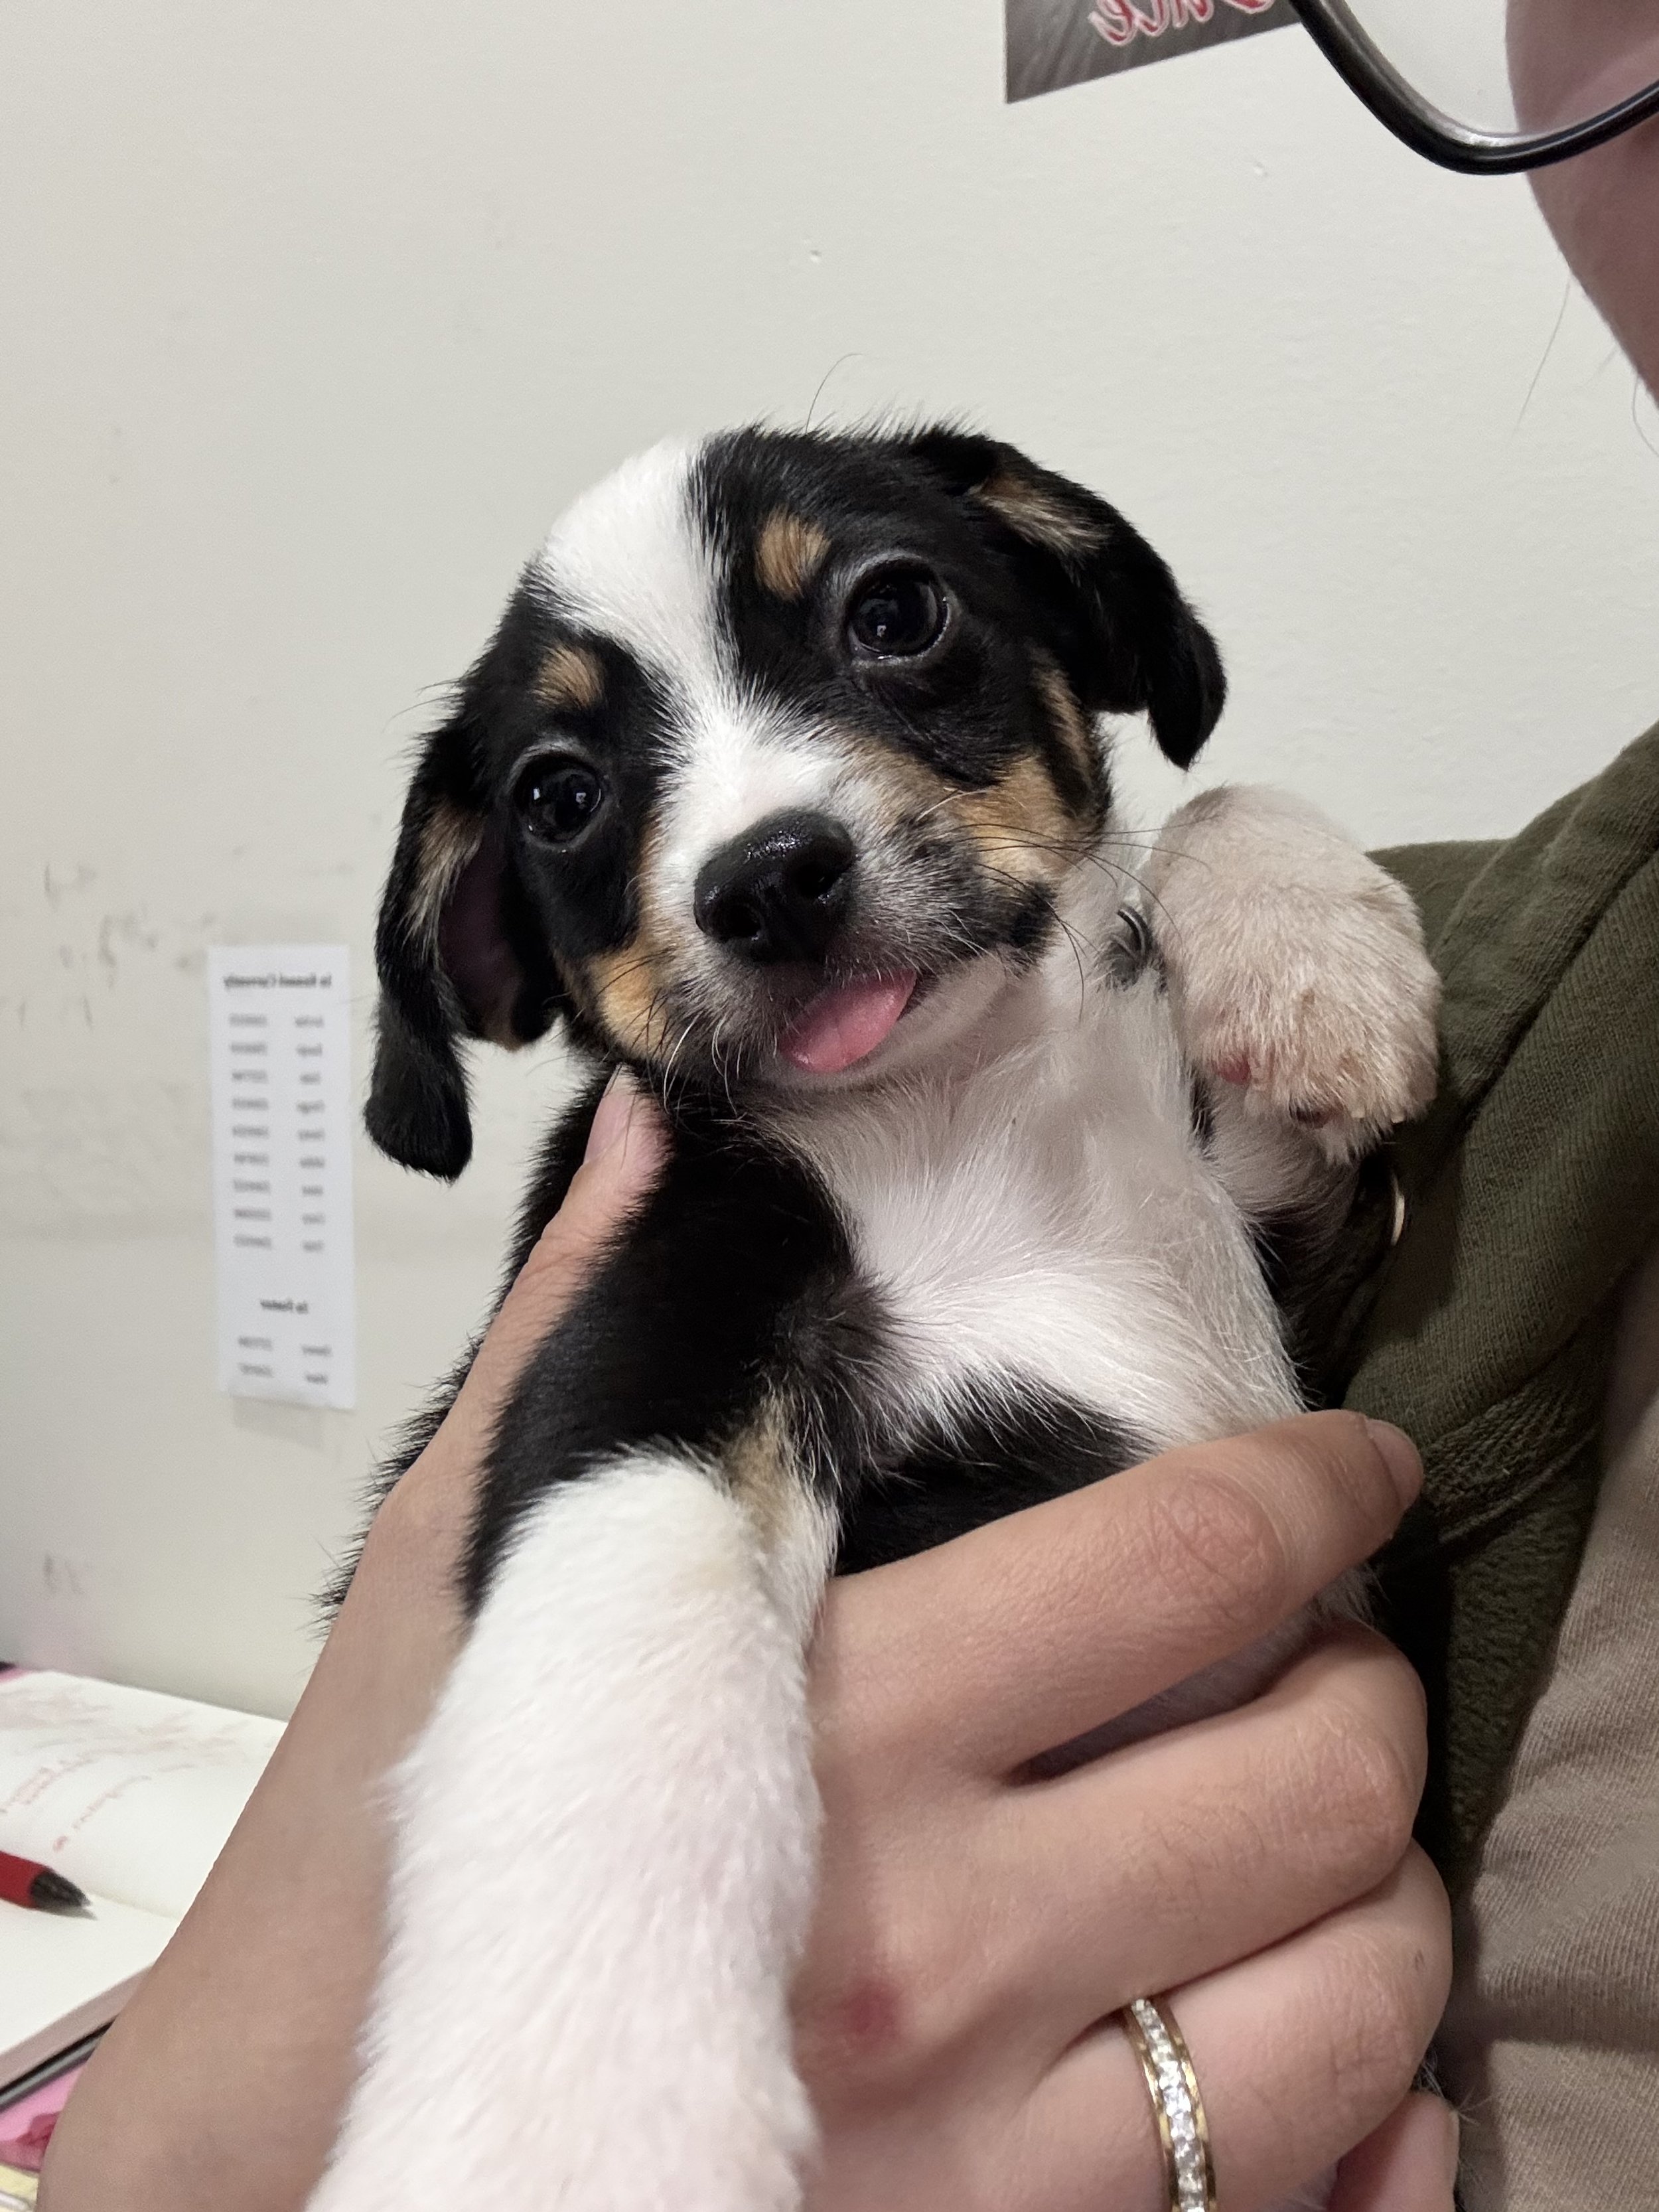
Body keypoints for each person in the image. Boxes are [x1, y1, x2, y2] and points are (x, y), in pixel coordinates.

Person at [37, 13, 1659, 2210]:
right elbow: (635, 1517)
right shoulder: (723, 1197)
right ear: (501, 955)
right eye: (578, 796)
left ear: (1077, 638)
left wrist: (1243, 845)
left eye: (890, 625)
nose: (755, 833)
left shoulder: (1166, 1038)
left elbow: (1288, 1139)